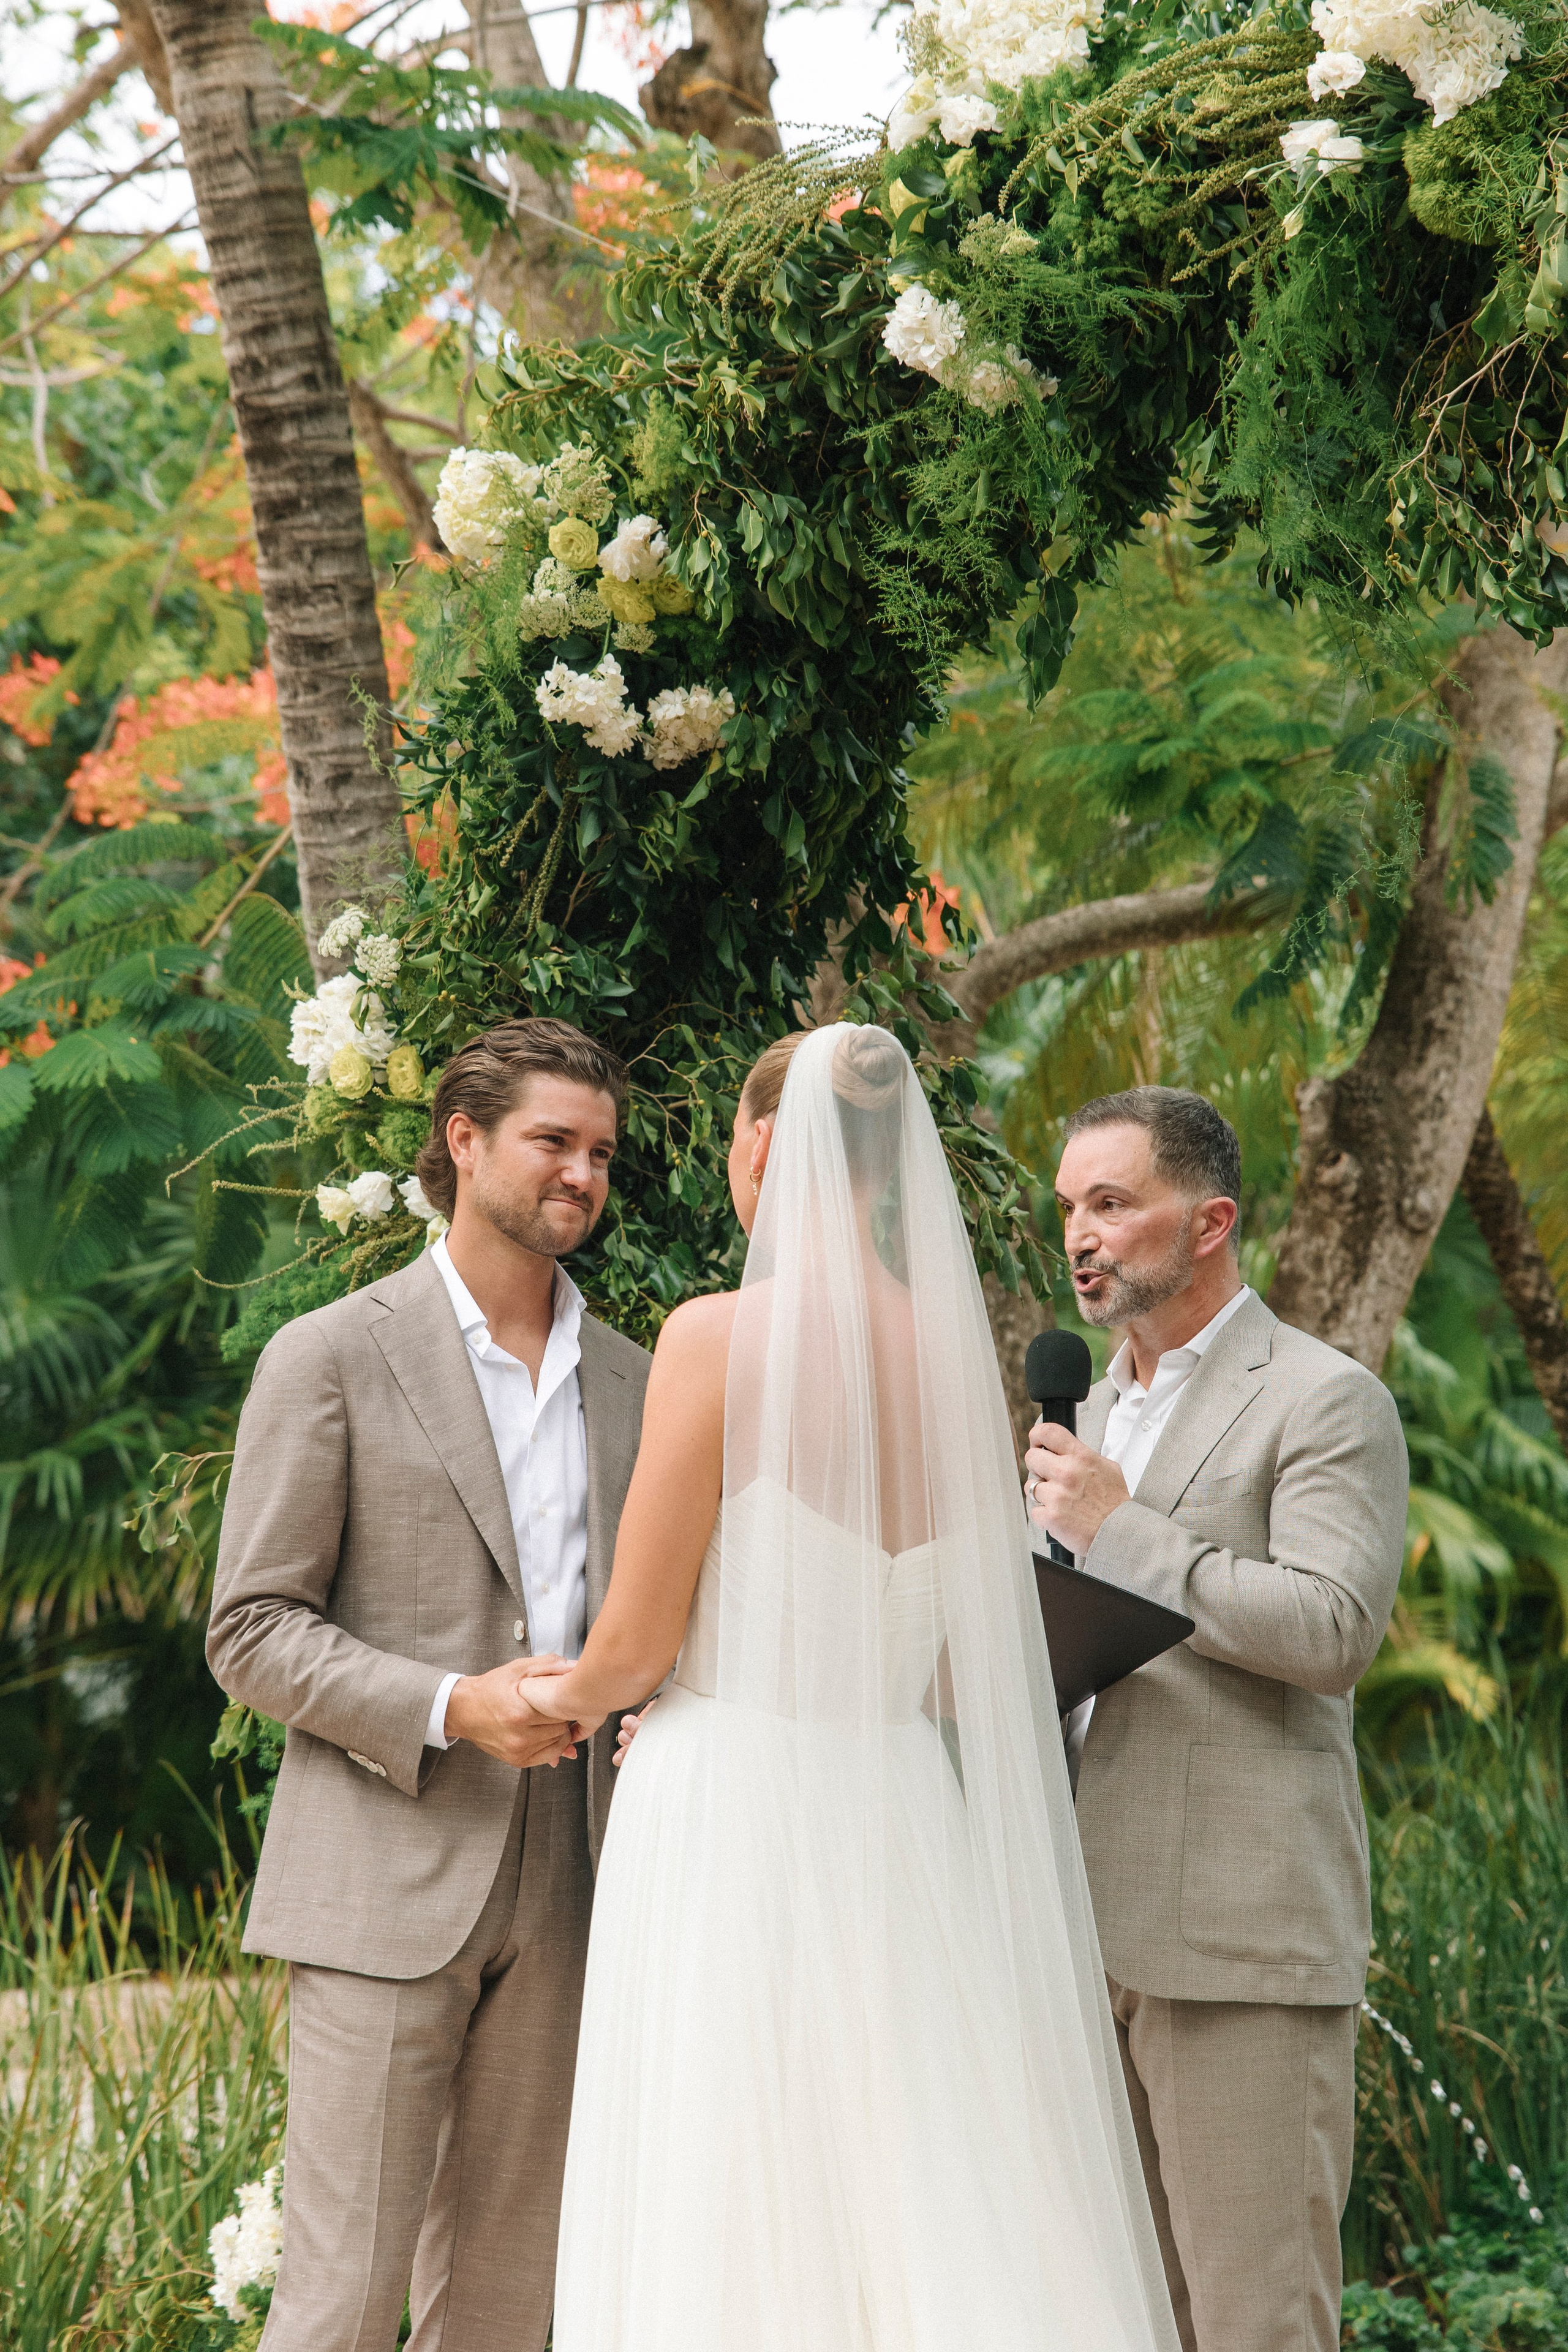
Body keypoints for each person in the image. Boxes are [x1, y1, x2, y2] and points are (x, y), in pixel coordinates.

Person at [522, 1022, 1182, 2352]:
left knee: (730, 2186)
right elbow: (945, 1661)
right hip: (896, 1812)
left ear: (763, 1145)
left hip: (732, 1811)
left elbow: (635, 1649)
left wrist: (538, 1698)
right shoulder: (946, 1356)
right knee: (918, 2176)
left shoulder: (714, 1336)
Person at [206, 1016, 651, 2352]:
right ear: (462, 1143)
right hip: (384, 1873)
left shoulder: (637, 1382)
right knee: (341, 2302)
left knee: (514, 2305)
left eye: (602, 1153)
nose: (580, 1173)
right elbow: (250, 1629)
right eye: (551, 1142)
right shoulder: (330, 1355)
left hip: (578, 1879)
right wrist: (459, 1705)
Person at [1022, 1085, 1408, 2352]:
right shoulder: (1080, 1412)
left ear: (1208, 1221)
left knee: (1253, 2326)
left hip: (1236, 1941)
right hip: (1076, 1930)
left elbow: (1328, 1632)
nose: (1077, 1232)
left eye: (1111, 1202)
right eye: (1068, 1205)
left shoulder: (1320, 1399)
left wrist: (1116, 1529)